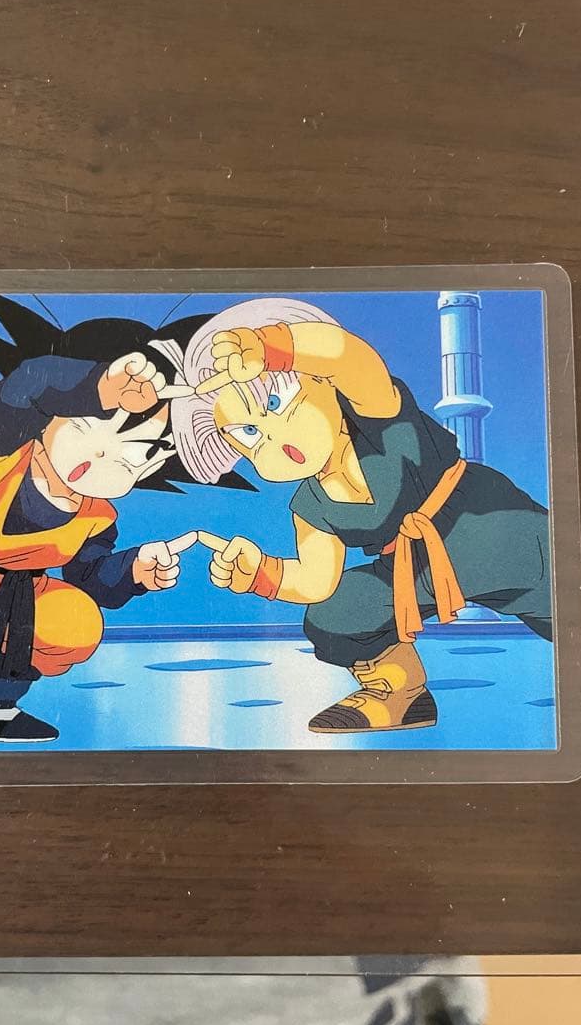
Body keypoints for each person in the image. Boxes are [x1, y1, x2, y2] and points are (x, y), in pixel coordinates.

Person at [0, 296, 251, 744]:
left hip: (10, 600)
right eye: (86, 424)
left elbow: (90, 577)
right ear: (49, 418)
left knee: (75, 619)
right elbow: (27, 387)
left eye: (137, 452)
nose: (101, 455)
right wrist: (102, 385)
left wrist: (134, 569)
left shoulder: (97, 516)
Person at [172, 297, 551, 733]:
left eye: (275, 402)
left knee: (569, 613)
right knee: (334, 612)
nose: (274, 436)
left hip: (497, 533)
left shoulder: (376, 415)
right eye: (249, 432)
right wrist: (262, 574)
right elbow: (316, 581)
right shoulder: (310, 505)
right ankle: (400, 693)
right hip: (412, 568)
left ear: (320, 380)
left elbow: (348, 357)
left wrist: (271, 346)